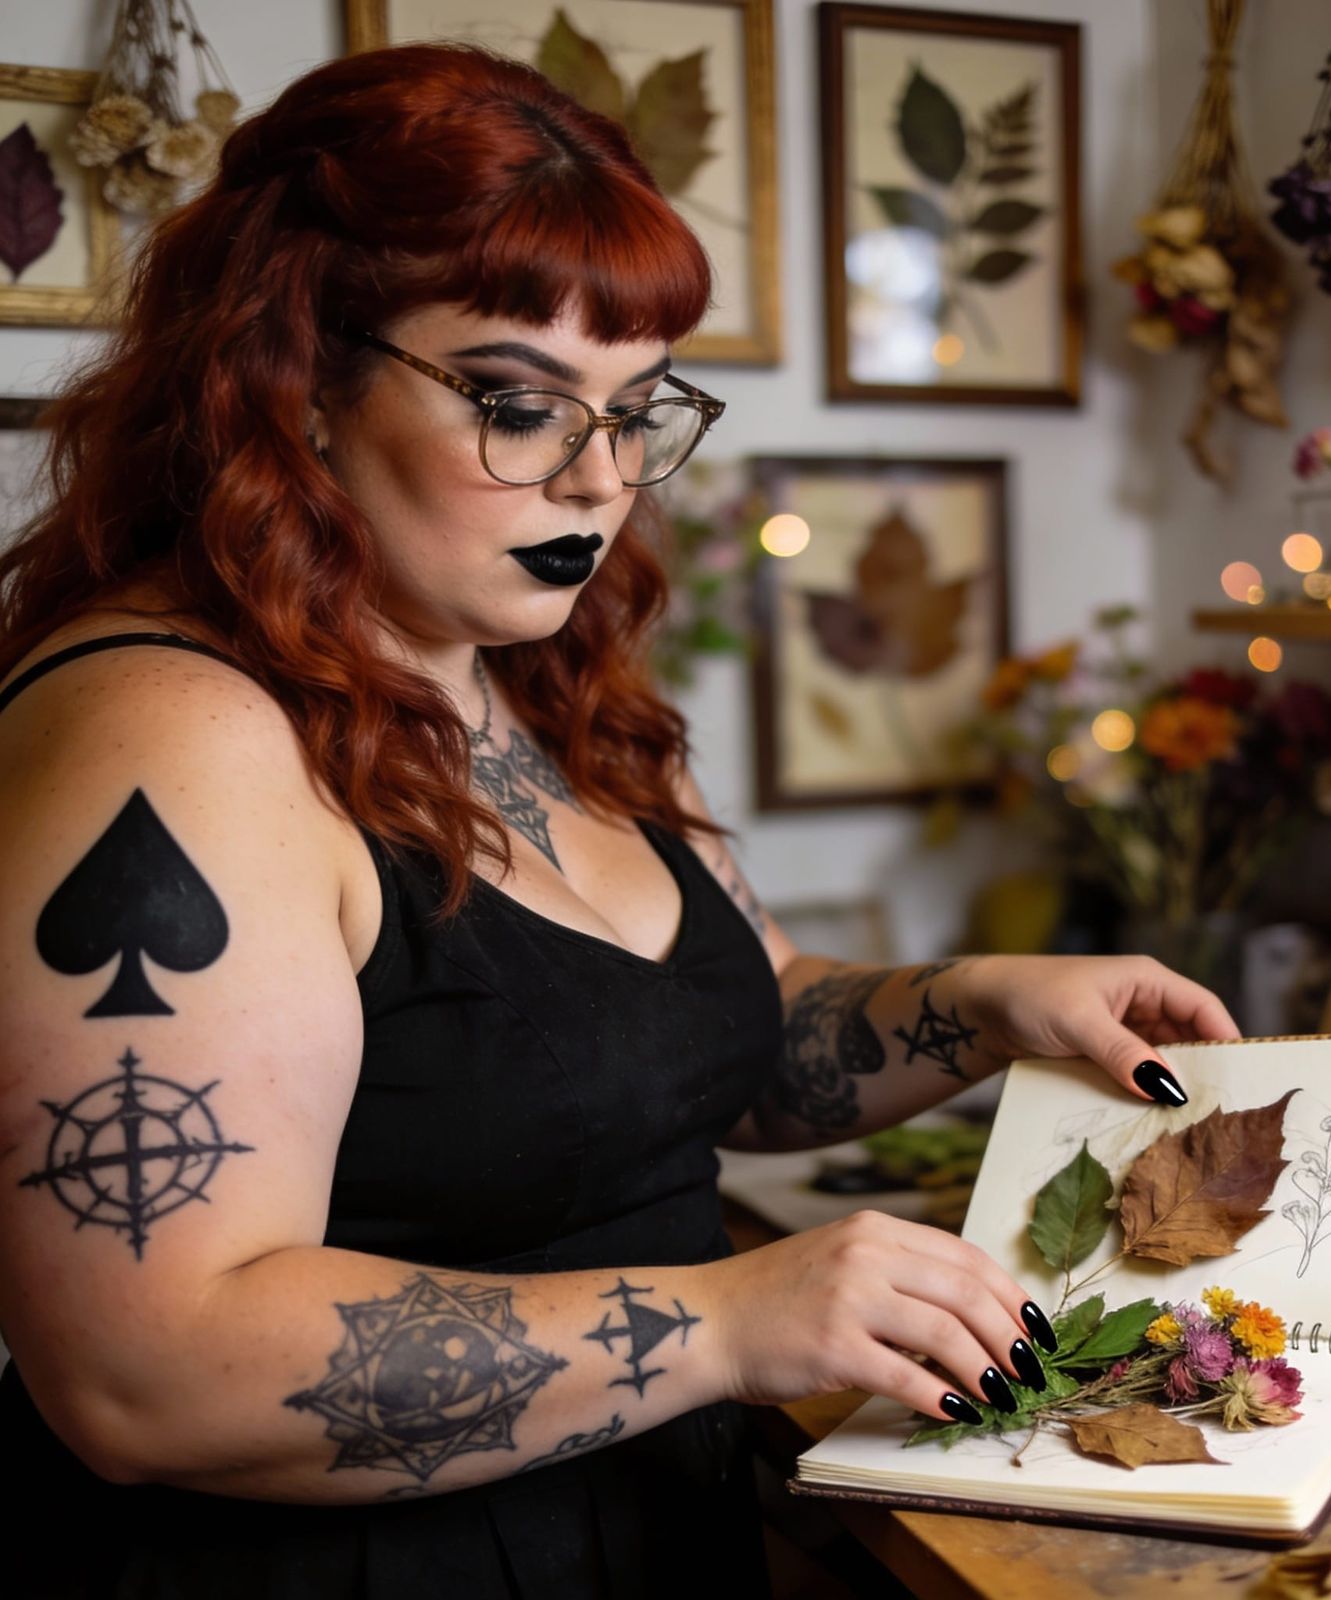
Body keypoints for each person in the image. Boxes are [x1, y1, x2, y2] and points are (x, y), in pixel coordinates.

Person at [0, 42, 1237, 1600]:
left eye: (640, 407)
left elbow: (739, 1050)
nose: (601, 476)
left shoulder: (553, 679)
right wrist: (728, 1319)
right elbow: (144, 1376)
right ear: (297, 385)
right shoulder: (168, 736)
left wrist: (980, 1007)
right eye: (520, 404)